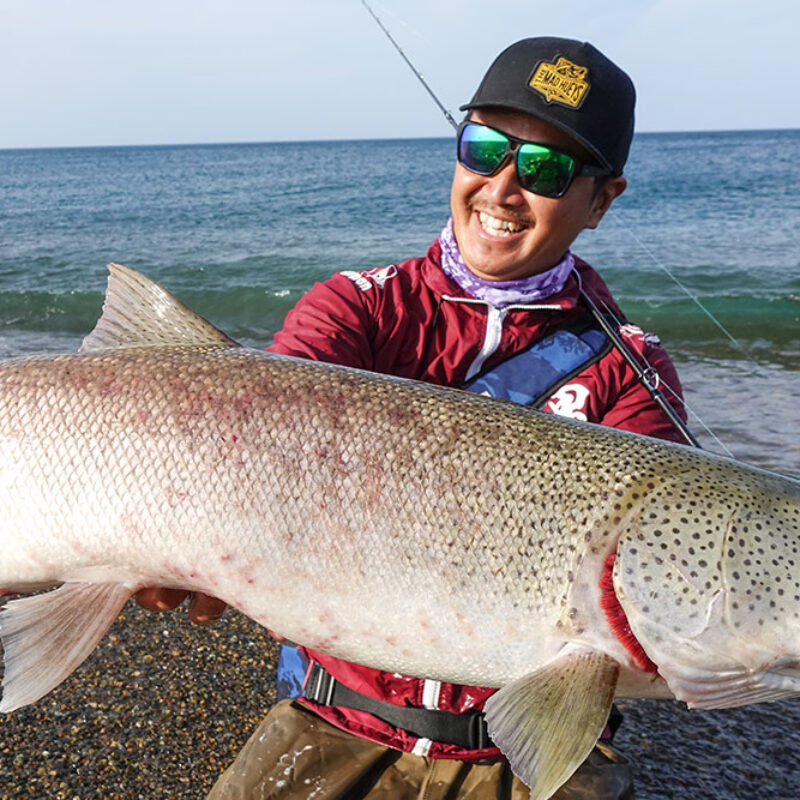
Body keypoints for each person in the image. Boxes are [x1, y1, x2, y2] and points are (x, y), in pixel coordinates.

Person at [138, 36, 687, 799]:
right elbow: (245, 431)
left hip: (519, 754)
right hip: (335, 725)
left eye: (546, 168)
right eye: (485, 147)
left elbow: (649, 597)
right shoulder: (356, 309)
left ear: (602, 199)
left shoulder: (633, 370)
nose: (501, 188)